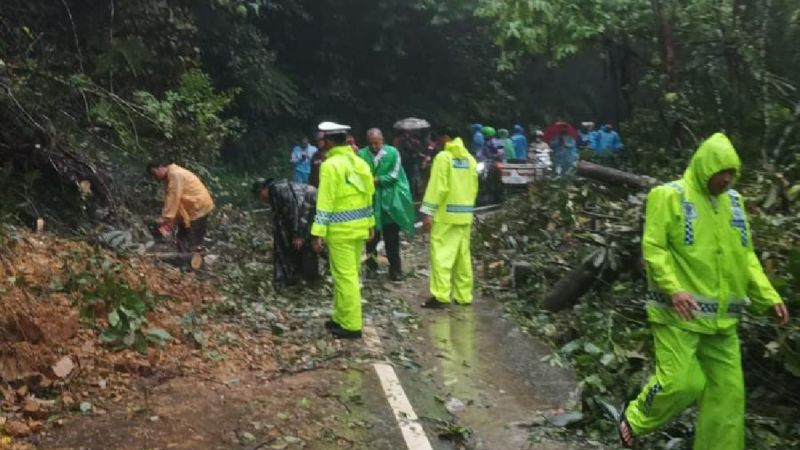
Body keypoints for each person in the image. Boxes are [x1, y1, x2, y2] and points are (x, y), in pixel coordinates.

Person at [618, 133, 789, 450]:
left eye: (731, 173)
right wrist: (674, 289)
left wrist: (769, 297)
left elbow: (746, 256)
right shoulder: (669, 196)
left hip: (723, 324)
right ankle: (635, 418)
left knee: (728, 398)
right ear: (704, 166)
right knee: (682, 383)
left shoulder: (735, 205)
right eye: (720, 171)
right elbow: (654, 249)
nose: (726, 179)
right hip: (677, 316)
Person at [311, 122, 375, 339]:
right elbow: (368, 195)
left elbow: (325, 201)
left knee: (345, 277)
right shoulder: (359, 162)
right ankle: (340, 317)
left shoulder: (330, 165)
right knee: (347, 275)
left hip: (341, 231)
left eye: (323, 140)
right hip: (358, 229)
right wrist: (370, 223)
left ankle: (351, 325)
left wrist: (317, 232)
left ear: (329, 142)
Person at [420, 127, 478, 308]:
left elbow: (438, 187)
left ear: (445, 138)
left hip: (445, 215)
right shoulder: (470, 160)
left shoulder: (444, 158)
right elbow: (474, 187)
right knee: (462, 257)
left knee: (441, 256)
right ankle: (464, 296)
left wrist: (428, 212)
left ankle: (441, 296)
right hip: (464, 215)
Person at [358, 128, 415, 281]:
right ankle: (371, 269)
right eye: (371, 144)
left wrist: (375, 180)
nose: (374, 147)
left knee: (392, 239)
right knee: (371, 239)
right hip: (370, 202)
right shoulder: (361, 155)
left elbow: (394, 175)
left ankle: (395, 271)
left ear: (382, 140)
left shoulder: (393, 153)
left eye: (376, 143)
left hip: (390, 203)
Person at [253, 178, 319, 288]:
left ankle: (310, 278)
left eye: (260, 195)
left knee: (308, 242)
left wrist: (299, 234)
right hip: (304, 207)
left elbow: (295, 210)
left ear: (264, 189)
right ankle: (295, 276)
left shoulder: (278, 189)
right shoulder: (275, 195)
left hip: (310, 202)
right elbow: (281, 222)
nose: (261, 199)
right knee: (291, 242)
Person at [147, 161, 214, 254]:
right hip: (190, 209)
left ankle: (193, 263)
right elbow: (173, 199)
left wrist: (165, 217)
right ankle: (185, 261)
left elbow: (173, 197)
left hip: (198, 207)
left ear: (160, 167)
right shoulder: (170, 176)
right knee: (182, 237)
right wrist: (172, 220)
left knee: (192, 239)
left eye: (154, 173)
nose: (155, 177)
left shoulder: (175, 175)